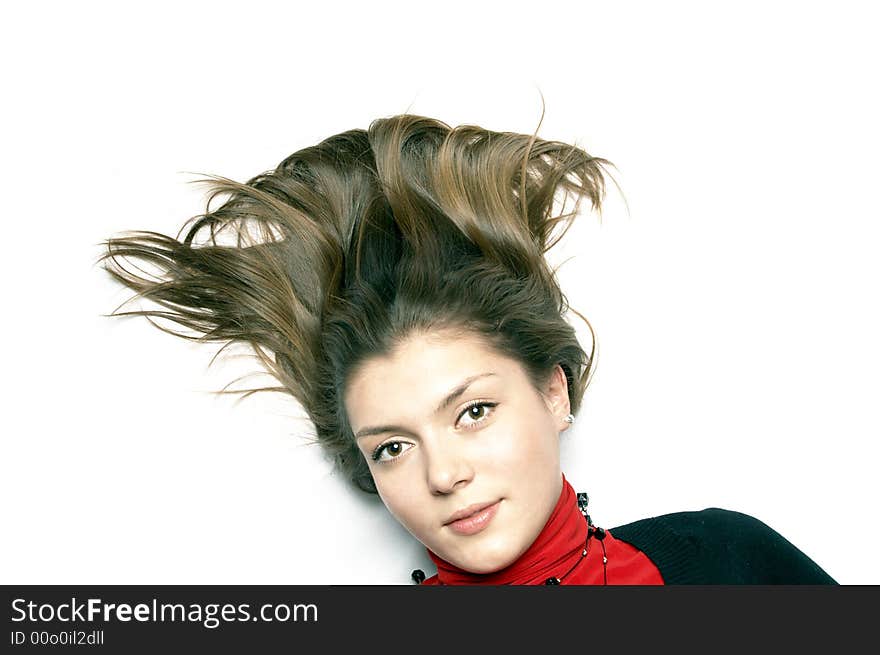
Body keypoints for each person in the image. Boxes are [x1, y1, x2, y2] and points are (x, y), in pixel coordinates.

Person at [98, 112, 836, 585]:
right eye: (391, 447)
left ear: (554, 391)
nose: (444, 472)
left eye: (473, 409)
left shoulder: (722, 562)